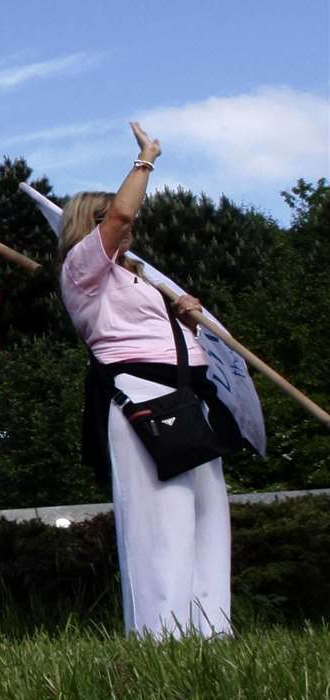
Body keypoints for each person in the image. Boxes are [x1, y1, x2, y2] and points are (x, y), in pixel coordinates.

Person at [57, 123, 244, 639]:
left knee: (207, 517)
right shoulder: (81, 270)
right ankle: (161, 635)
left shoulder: (136, 278)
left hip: (185, 396)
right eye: (107, 218)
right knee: (160, 524)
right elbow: (122, 213)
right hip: (140, 397)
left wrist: (184, 317)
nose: (124, 224)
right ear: (88, 225)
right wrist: (146, 159)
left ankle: (211, 632)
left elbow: (154, 334)